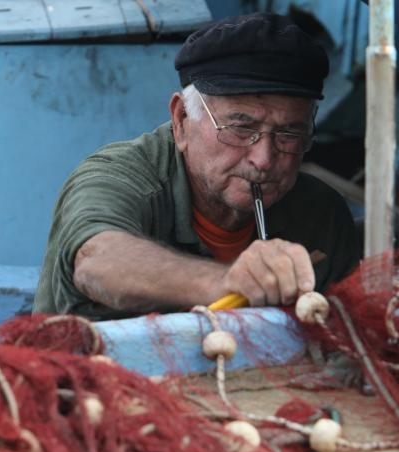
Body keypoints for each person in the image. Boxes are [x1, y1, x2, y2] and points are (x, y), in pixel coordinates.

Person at [33, 12, 360, 321]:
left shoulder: (321, 216)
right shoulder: (117, 176)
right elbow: (98, 261)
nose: (263, 159)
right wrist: (229, 282)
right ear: (181, 119)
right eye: (240, 128)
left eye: (289, 133)